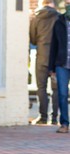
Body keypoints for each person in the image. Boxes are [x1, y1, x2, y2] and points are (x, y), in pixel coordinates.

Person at [30, 0, 59, 125]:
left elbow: (33, 38)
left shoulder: (36, 17)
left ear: (42, 3)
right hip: (56, 57)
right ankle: (54, 118)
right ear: (52, 3)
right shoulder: (59, 17)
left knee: (41, 87)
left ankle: (43, 117)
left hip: (41, 56)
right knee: (56, 89)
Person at [49, 0, 70, 133]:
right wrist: (51, 68)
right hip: (62, 64)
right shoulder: (59, 22)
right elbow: (53, 46)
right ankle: (64, 123)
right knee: (62, 94)